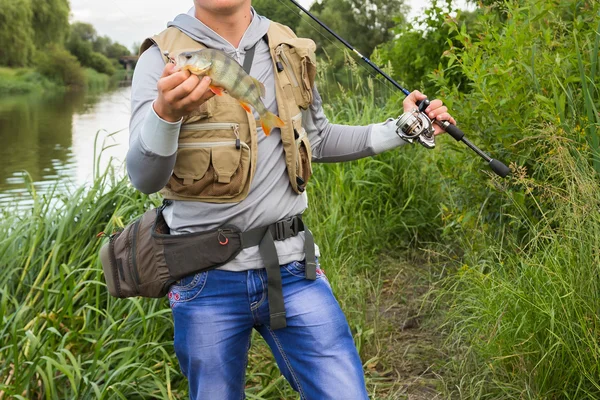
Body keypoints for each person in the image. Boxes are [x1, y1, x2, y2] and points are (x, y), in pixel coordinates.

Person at [127, 0, 455, 398]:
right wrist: (166, 114)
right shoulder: (161, 58)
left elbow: (317, 140)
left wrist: (401, 129)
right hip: (204, 280)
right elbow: (144, 178)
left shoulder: (287, 46)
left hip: (294, 270)